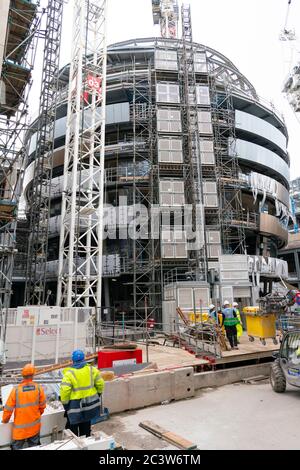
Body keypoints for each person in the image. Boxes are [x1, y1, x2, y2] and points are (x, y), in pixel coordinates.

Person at [60, 349, 105, 438]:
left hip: (74, 407)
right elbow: (100, 384)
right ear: (84, 359)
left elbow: (65, 391)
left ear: (73, 360)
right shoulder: (92, 370)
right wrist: (98, 394)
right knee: (86, 430)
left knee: (73, 433)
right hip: (89, 406)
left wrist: (65, 404)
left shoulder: (69, 374)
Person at [1, 363, 46, 450]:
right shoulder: (39, 388)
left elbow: (8, 409)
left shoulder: (16, 390)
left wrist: (5, 420)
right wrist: (36, 415)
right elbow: (42, 406)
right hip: (34, 428)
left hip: (20, 431)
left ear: (23, 375)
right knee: (34, 447)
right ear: (33, 375)